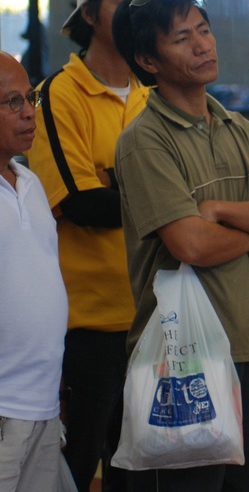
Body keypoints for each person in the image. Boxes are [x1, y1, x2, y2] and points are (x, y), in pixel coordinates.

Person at [111, 0, 249, 491]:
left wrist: (220, 212)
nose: (202, 45)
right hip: (182, 357)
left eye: (204, 30)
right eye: (182, 37)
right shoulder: (143, 141)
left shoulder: (237, 127)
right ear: (147, 60)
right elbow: (191, 246)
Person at [24, 0, 152, 492]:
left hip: (155, 314)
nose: (137, 17)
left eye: (146, 6)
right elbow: (80, 203)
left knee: (145, 469)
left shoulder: (158, 92)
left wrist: (115, 183)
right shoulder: (58, 96)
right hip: (89, 320)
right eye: (124, 4)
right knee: (79, 467)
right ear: (91, 15)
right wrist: (162, 195)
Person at [0, 52, 70, 491]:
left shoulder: (31, 183)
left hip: (43, 404)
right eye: (11, 102)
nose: (28, 112)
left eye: (29, 98)